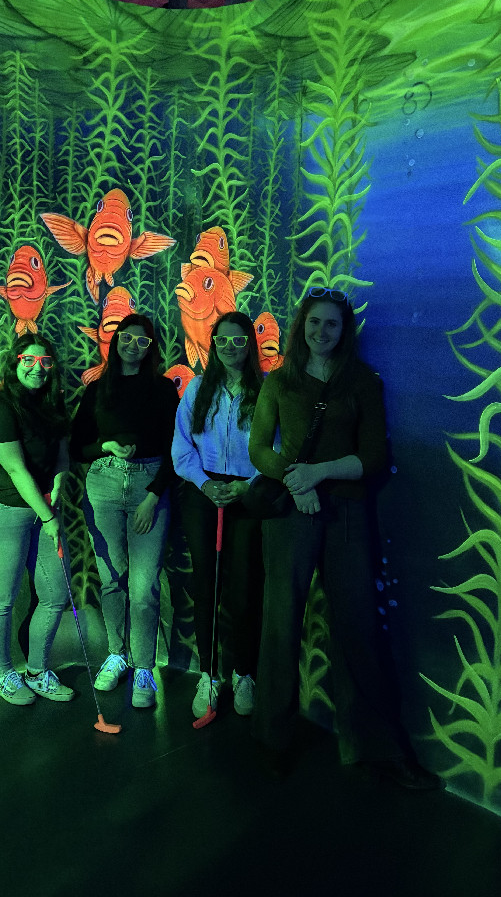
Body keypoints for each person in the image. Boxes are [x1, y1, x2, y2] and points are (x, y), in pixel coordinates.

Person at [248, 287, 440, 788]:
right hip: (291, 513)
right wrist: (298, 481)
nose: (322, 331)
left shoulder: (363, 382)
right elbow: (258, 449)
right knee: (280, 625)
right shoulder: (279, 380)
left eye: (332, 324)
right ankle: (272, 739)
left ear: (344, 330)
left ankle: (377, 749)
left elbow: (373, 458)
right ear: (301, 326)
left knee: (358, 627)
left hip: (348, 514)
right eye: (314, 322)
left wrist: (319, 472)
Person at [71, 314, 179, 708]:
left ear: (151, 348)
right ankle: (117, 655)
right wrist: (106, 446)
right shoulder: (97, 389)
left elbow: (177, 448)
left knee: (144, 586)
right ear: (116, 341)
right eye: (126, 338)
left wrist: (153, 496)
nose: (133, 345)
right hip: (103, 483)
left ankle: (144, 668)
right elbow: (76, 446)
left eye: (142, 341)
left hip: (150, 485)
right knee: (112, 579)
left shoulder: (163, 390)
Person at [0, 332, 74, 705]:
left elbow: (61, 454)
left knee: (56, 593)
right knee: (2, 599)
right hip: (1, 511)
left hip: (42, 510)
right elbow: (16, 470)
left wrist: (58, 485)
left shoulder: (52, 404)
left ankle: (37, 671)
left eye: (45, 361)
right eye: (28, 360)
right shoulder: (0, 408)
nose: (37, 368)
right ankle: (2, 675)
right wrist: (49, 517)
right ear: (15, 363)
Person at [172, 312, 264, 719]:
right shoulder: (197, 388)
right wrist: (205, 484)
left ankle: (243, 673)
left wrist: (247, 485)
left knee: (244, 590)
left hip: (246, 495)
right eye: (222, 340)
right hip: (203, 493)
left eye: (238, 340)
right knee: (206, 587)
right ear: (213, 345)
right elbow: (181, 448)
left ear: (249, 344)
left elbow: (279, 448)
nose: (230, 347)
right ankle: (208, 675)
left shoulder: (265, 389)